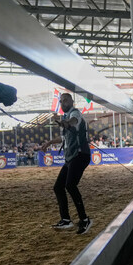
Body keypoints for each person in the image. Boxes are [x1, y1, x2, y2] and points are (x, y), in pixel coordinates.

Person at [39, 93, 93, 235]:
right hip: (71, 158)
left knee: (70, 185)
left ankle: (84, 219)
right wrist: (50, 142)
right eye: (61, 101)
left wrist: (67, 123)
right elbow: (64, 137)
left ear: (72, 101)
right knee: (58, 187)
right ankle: (66, 219)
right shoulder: (65, 117)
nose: (63, 103)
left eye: (66, 100)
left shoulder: (75, 113)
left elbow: (74, 121)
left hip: (80, 155)